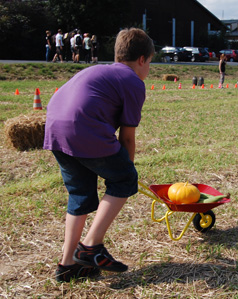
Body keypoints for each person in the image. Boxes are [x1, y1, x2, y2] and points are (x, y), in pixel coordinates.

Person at [44, 28, 155, 283]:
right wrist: (125, 174)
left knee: (80, 195)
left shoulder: (95, 71)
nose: (148, 68)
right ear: (141, 59)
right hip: (82, 128)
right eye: (149, 62)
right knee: (125, 179)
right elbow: (126, 138)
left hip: (55, 130)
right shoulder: (133, 81)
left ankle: (68, 264)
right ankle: (91, 246)